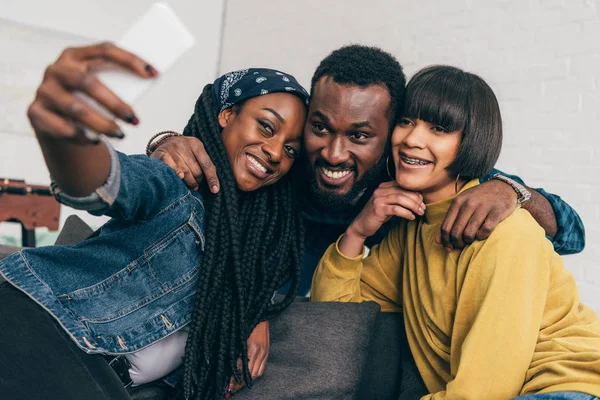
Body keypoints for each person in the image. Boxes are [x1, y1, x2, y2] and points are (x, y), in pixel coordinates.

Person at [0, 42, 310, 400]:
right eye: (267, 126)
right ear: (227, 114)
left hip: (87, 368)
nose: (275, 152)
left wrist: (254, 311)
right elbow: (110, 184)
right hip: (35, 320)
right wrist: (68, 134)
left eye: (291, 149)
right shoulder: (176, 186)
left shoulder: (242, 267)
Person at [149, 45, 585, 296]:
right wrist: (166, 141)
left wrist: (513, 192)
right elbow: (216, 153)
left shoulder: (412, 175)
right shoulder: (281, 162)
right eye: (320, 128)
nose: (334, 154)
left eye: (359, 136)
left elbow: (572, 235)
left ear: (392, 131)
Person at [311, 65, 600, 399]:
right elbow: (337, 318)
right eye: (406, 121)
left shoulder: (504, 229)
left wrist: (511, 189)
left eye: (438, 128)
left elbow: (484, 391)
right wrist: (358, 231)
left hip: (567, 388)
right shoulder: (411, 225)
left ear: (471, 142)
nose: (412, 139)